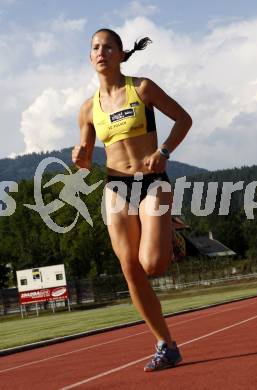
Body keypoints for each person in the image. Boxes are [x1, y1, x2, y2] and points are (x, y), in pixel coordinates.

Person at [72, 28, 192, 372]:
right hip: (116, 186)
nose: (100, 52)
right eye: (95, 47)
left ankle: (171, 234)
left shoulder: (142, 89)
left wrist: (164, 151)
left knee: (154, 265)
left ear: (120, 54)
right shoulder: (87, 110)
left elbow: (184, 119)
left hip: (153, 181)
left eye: (108, 47)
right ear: (90, 56)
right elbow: (84, 162)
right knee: (130, 269)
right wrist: (79, 159)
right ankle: (166, 345)